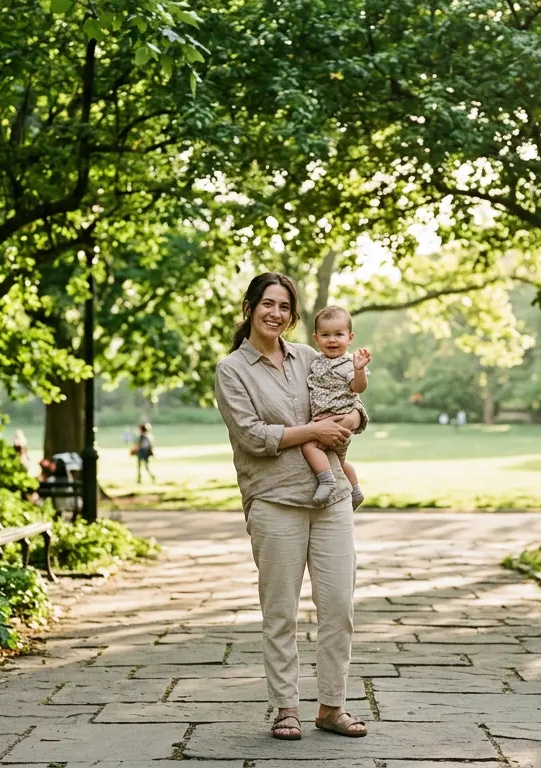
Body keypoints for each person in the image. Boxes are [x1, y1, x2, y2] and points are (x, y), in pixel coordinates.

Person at [214, 272, 368, 741]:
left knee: (338, 607)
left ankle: (331, 707)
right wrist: (314, 432)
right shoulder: (232, 369)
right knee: (281, 612)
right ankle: (285, 708)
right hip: (274, 500)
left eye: (284, 306)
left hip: (331, 497)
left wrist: (352, 418)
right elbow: (252, 436)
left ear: (293, 314)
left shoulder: (310, 356)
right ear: (249, 308)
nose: (276, 313)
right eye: (268, 303)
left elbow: (353, 402)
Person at [300, 306, 371, 508]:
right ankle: (355, 490)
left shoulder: (349, 363)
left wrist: (359, 370)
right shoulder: (317, 361)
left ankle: (327, 480)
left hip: (339, 422)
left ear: (350, 337)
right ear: (316, 338)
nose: (332, 340)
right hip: (324, 422)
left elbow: (358, 388)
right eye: (325, 335)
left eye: (339, 334)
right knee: (338, 463)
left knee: (308, 446)